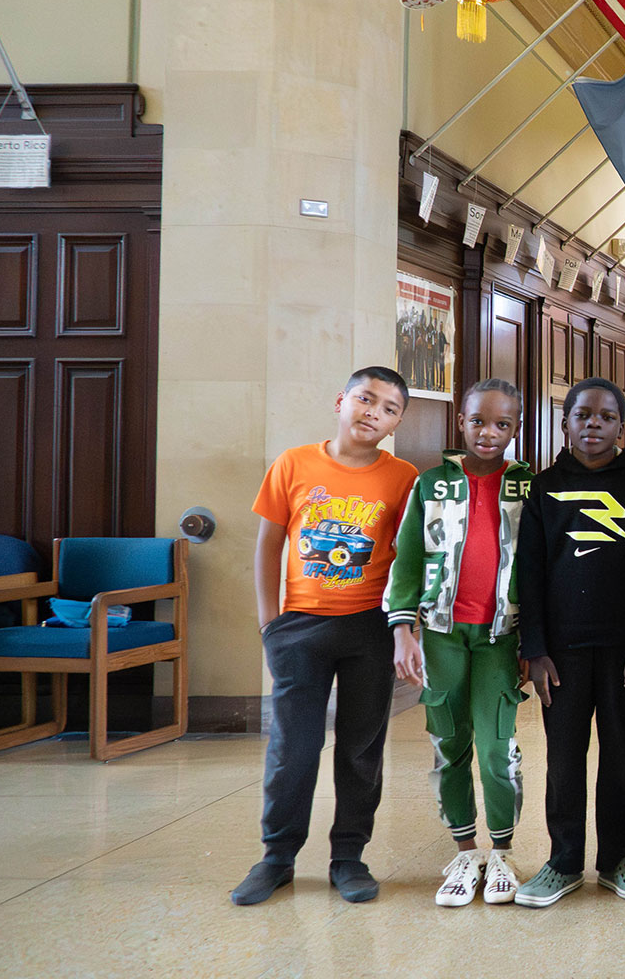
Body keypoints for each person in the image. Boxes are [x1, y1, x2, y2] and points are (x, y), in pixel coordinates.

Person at [232, 366, 420, 906]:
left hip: (370, 627)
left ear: (396, 422)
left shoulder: (403, 477)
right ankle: (276, 857)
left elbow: (409, 559)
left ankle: (348, 857)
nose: (372, 413)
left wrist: (405, 628)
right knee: (294, 747)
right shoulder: (293, 463)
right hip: (299, 629)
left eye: (387, 408)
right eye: (365, 399)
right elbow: (269, 546)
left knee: (361, 748)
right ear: (342, 400)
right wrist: (270, 623)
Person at [512, 378, 625, 908]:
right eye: (582, 415)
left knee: (621, 753)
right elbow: (529, 575)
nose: (593, 424)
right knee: (563, 755)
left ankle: (616, 858)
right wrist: (534, 649)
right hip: (561, 653)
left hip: (623, 650)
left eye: (606, 417)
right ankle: (562, 861)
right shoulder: (545, 487)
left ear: (622, 428)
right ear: (565, 423)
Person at [383, 378, 534, 907]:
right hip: (443, 635)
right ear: (461, 422)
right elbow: (405, 560)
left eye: (501, 424)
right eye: (477, 421)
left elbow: (539, 571)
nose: (488, 433)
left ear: (516, 428)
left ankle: (501, 851)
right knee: (449, 744)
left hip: (501, 638)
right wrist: (403, 630)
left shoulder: (528, 487)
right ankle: (465, 849)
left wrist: (533, 645)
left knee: (496, 750)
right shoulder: (431, 484)